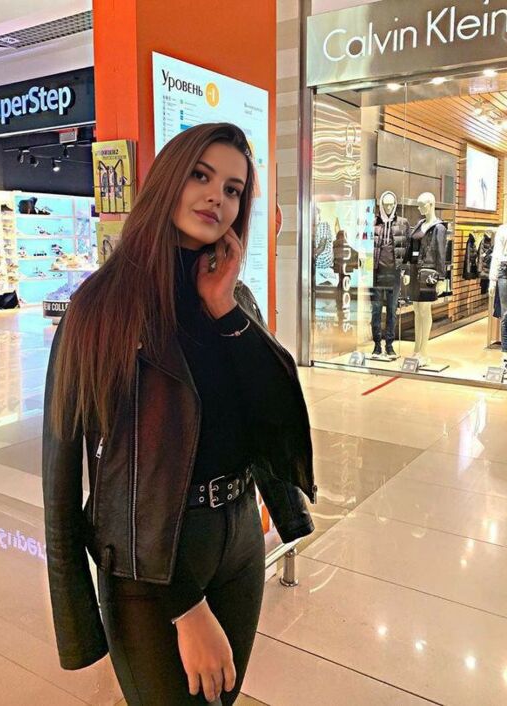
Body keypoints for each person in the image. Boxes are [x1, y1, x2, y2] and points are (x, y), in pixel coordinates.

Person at [43, 122, 316, 705]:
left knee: (221, 700)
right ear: (169, 179)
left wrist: (224, 309)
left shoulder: (231, 296)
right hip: (152, 562)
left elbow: (271, 416)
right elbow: (75, 481)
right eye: (201, 176)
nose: (218, 197)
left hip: (238, 536)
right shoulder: (102, 308)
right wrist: (184, 608)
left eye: (234, 189)